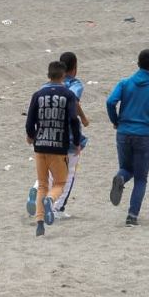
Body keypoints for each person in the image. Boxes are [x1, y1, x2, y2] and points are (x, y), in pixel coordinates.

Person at [106, 49, 149, 226]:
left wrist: (115, 120)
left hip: (123, 133)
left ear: (137, 64)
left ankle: (120, 177)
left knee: (126, 168)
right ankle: (132, 215)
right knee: (141, 178)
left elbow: (110, 101)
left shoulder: (124, 83)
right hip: (143, 135)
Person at [27, 61, 83, 236]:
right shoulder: (68, 95)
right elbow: (73, 119)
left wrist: (30, 135)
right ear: (63, 75)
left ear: (48, 75)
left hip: (40, 146)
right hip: (58, 146)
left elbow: (30, 120)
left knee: (42, 184)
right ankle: (50, 201)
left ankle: (39, 223)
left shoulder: (38, 94)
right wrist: (77, 141)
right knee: (59, 183)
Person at [53, 52, 91, 216]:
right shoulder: (75, 84)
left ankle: (35, 192)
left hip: (51, 132)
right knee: (69, 173)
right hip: (68, 134)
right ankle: (58, 208)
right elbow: (73, 100)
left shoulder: (52, 84)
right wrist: (83, 118)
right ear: (75, 68)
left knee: (49, 170)